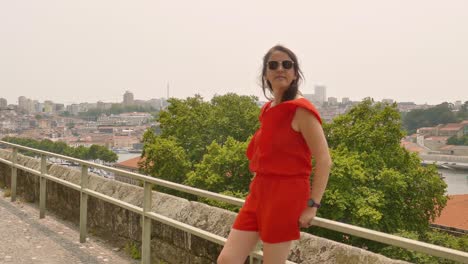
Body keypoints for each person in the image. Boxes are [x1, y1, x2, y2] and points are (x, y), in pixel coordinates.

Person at [217, 45, 332, 264]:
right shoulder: (268, 108)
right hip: (259, 192)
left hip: (286, 194)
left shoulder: (301, 110)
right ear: (266, 74)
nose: (280, 69)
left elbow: (324, 160)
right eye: (273, 65)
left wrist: (313, 205)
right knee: (227, 260)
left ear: (295, 73)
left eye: (287, 64)